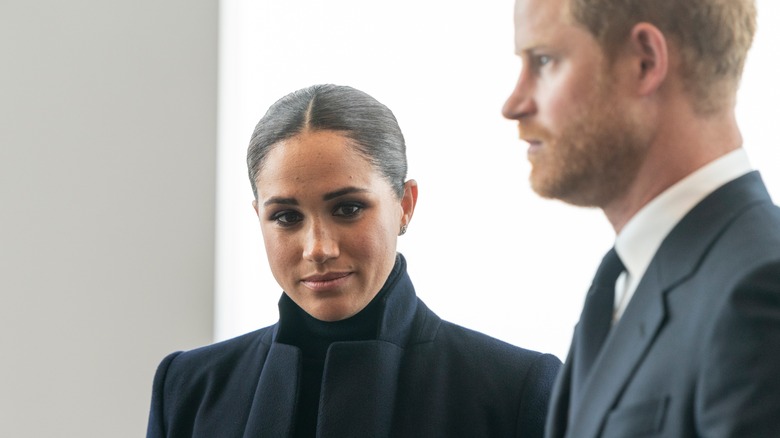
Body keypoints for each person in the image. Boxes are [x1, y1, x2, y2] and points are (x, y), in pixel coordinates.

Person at [146, 84, 561, 437]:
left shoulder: (516, 390)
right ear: (259, 219)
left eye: (347, 209)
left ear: (405, 204)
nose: (318, 248)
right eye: (287, 217)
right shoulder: (188, 388)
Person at [502, 0, 780, 436]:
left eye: (544, 61)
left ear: (644, 62)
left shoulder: (761, 288)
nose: (514, 103)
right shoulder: (627, 277)